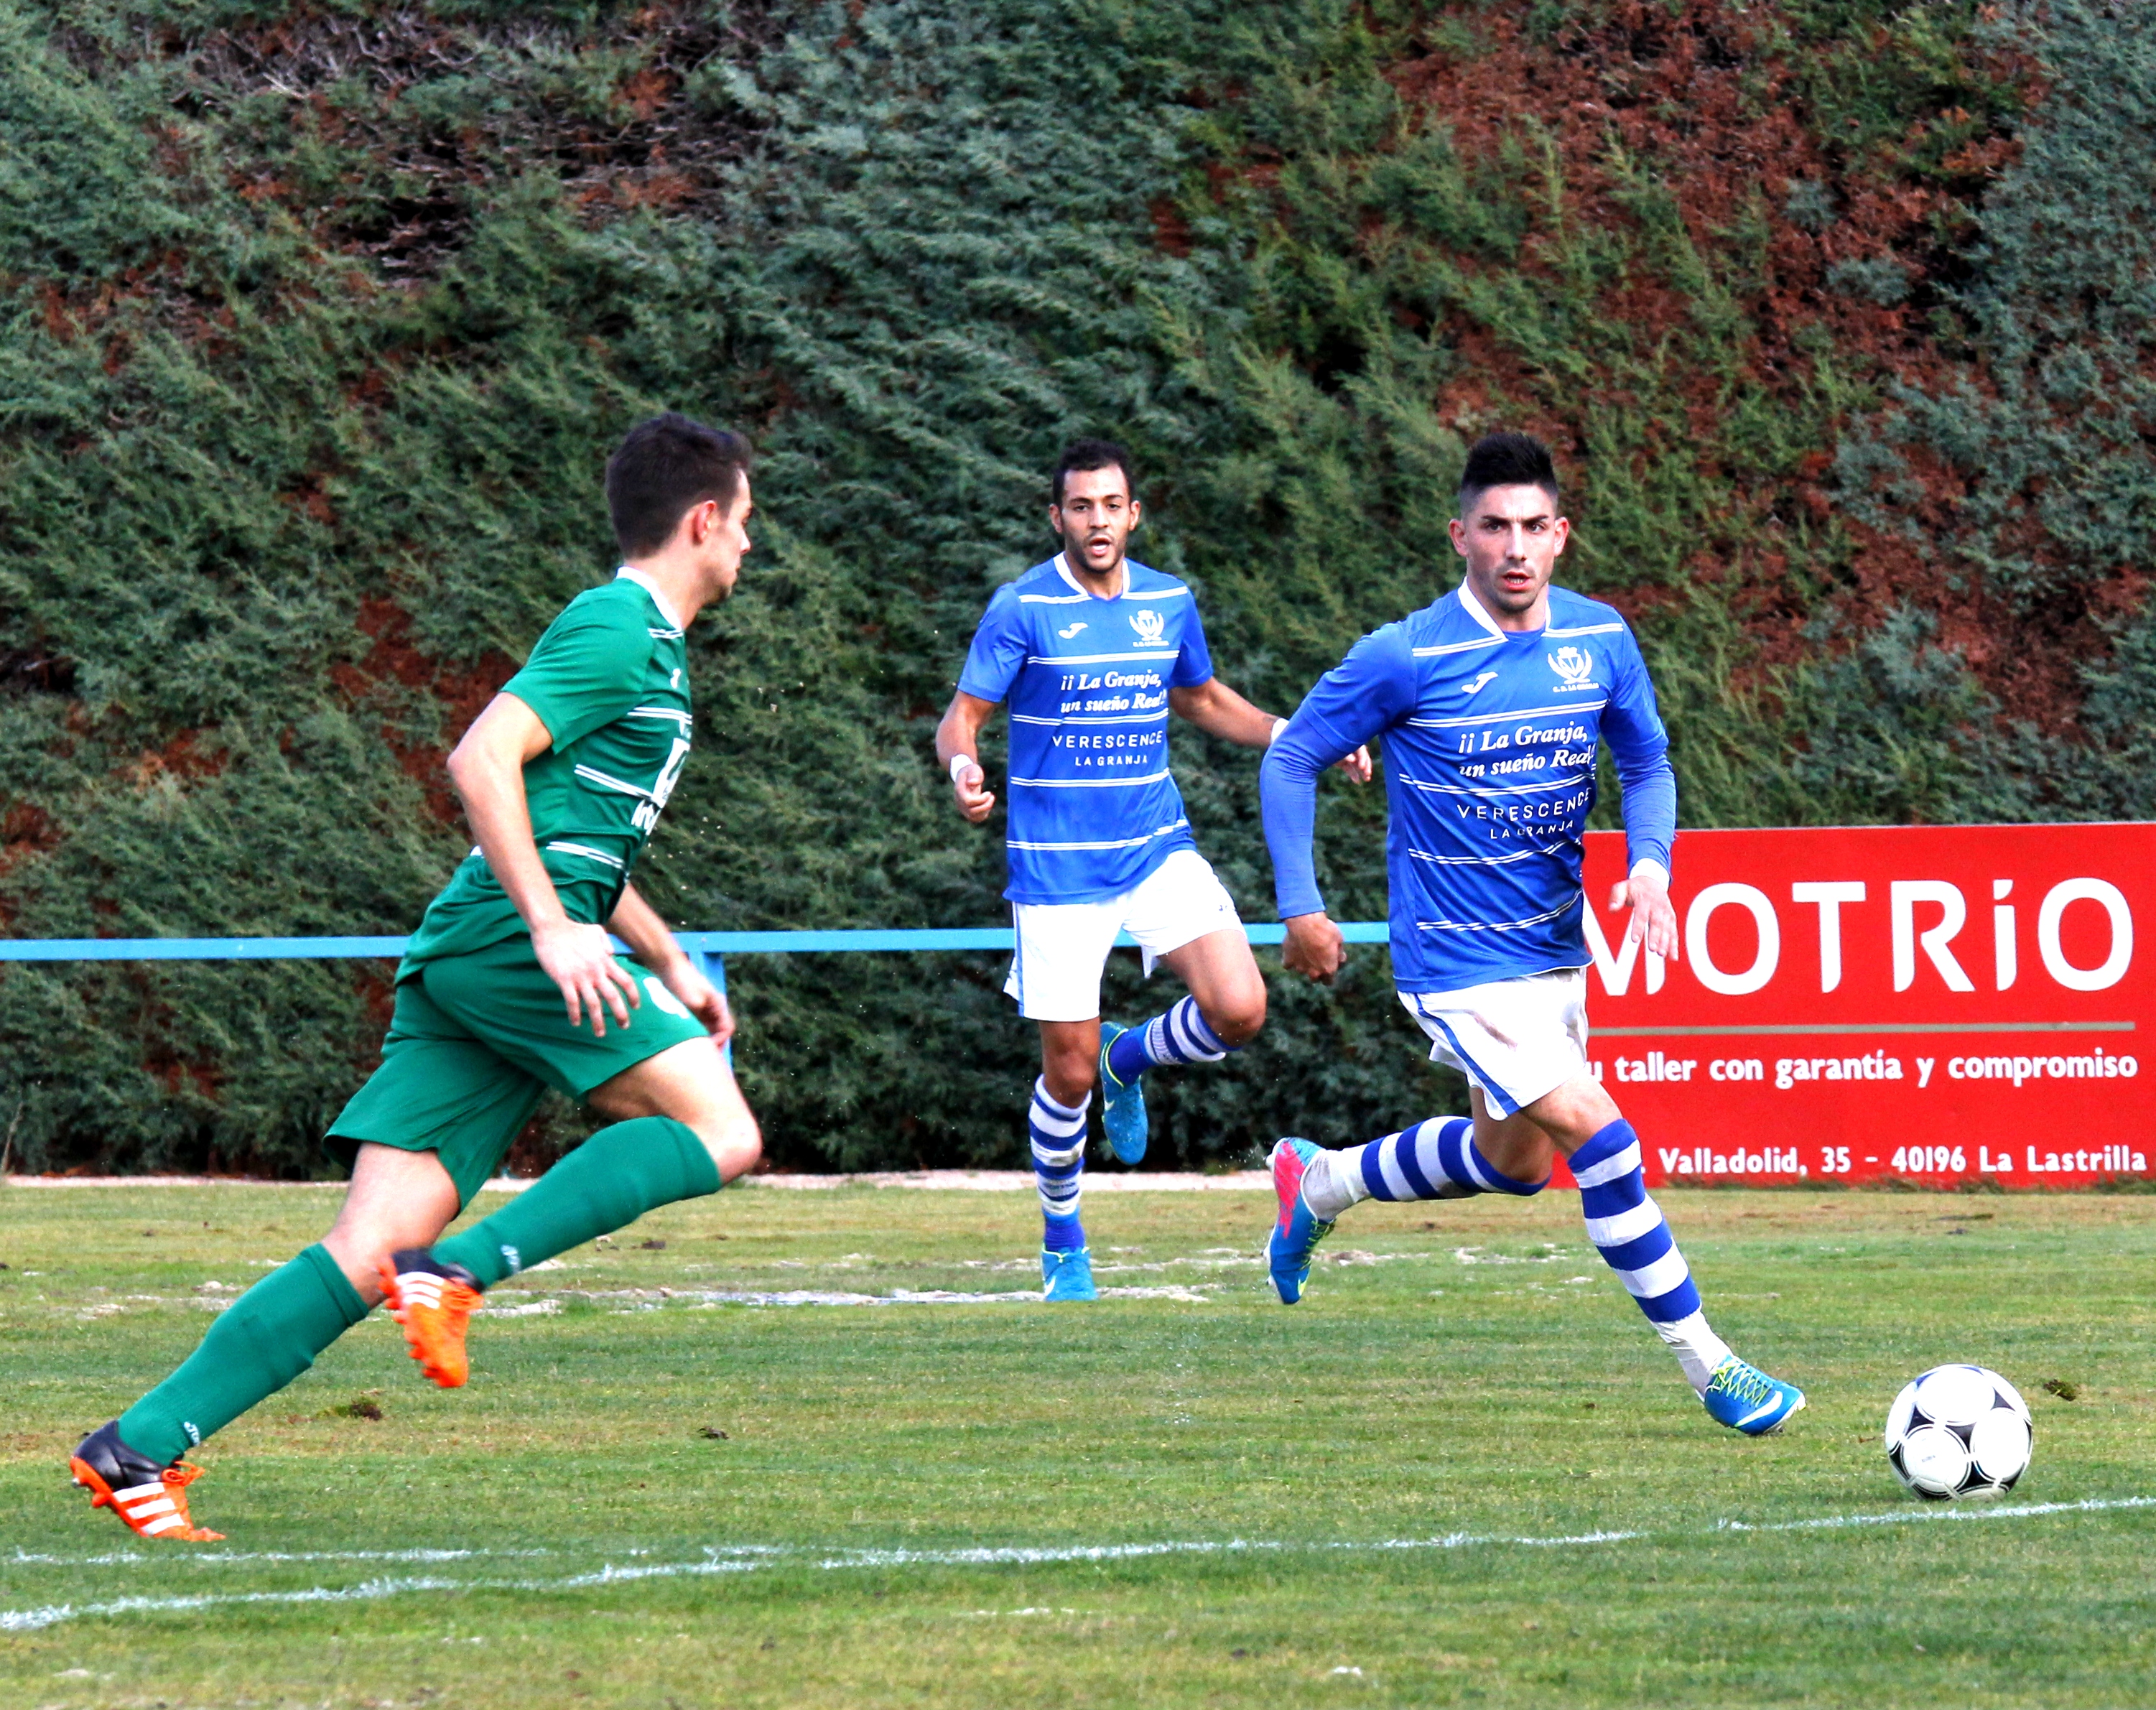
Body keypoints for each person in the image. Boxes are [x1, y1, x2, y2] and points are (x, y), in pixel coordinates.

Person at [69, 413, 766, 1539]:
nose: (746, 547)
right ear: (702, 520)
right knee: (722, 1129)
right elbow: (479, 759)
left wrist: (666, 956)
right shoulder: (617, 626)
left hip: (477, 948)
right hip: (504, 939)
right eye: (743, 524)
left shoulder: (650, 650)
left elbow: (569, 825)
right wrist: (549, 928)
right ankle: (460, 1274)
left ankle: (136, 1446)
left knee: (365, 1250)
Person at [1258, 432, 1804, 1435]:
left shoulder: (1599, 639)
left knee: (1512, 1163)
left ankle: (1318, 1180)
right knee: (1604, 1139)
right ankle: (1711, 1367)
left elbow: (1646, 761)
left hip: (1552, 947)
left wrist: (1649, 865)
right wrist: (1301, 903)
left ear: (1561, 536)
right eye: (1494, 527)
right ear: (1458, 534)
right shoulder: (1405, 654)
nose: (1513, 547)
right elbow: (1290, 757)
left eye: (1532, 528)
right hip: (1457, 961)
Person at [935, 439, 1367, 1302]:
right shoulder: (1022, 607)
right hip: (1056, 868)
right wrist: (962, 769)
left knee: (1241, 1008)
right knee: (1065, 1072)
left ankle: (1129, 1060)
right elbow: (963, 717)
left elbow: (1204, 701)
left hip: (1154, 846)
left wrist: (1304, 737)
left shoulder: (1168, 601)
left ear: (1133, 514)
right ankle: (1063, 1241)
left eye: (1112, 505)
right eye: (1080, 507)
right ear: (1056, 517)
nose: (1097, 521)